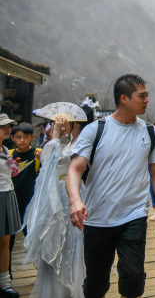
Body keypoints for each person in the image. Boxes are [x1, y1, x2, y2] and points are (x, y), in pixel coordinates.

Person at [66, 74, 155, 298]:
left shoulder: (150, 132)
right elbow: (74, 169)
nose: (147, 100)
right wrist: (75, 201)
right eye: (142, 96)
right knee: (96, 281)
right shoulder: (96, 130)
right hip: (98, 217)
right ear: (124, 98)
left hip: (134, 214)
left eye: (147, 96)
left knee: (133, 277)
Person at [24, 106, 90, 297]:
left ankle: (71, 286)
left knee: (72, 239)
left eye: (64, 122)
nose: (60, 125)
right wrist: (54, 136)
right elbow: (46, 164)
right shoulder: (53, 144)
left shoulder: (77, 143)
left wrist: (67, 134)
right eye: (57, 122)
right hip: (53, 196)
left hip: (72, 192)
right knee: (52, 238)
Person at [8, 122, 40, 272]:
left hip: (31, 203)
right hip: (12, 202)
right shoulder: (8, 155)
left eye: (26, 137)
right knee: (9, 240)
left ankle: (42, 272)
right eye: (18, 137)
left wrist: (43, 158)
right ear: (12, 138)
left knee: (33, 238)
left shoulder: (37, 154)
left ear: (31, 137)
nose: (22, 140)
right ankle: (6, 274)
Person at [0, 114, 21, 298]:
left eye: (8, 126)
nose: (8, 129)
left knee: (6, 242)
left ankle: (5, 282)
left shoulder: (6, 149)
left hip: (8, 194)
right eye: (3, 127)